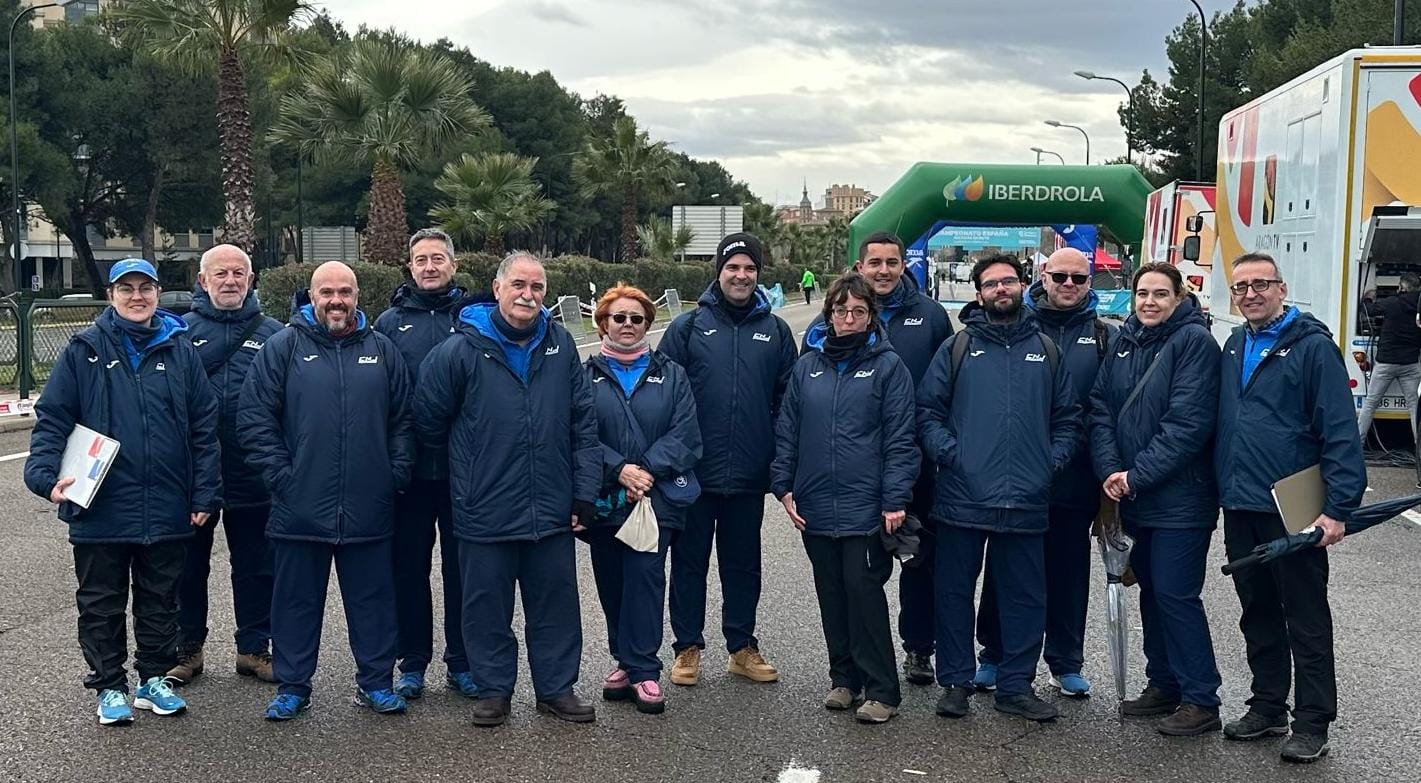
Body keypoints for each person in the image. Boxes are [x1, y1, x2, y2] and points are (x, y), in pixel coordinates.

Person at [24, 257, 221, 725]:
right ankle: (109, 684)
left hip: (167, 502)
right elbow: (54, 418)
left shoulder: (180, 351)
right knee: (101, 602)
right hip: (101, 505)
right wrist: (46, 476)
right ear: (111, 296)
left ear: (157, 293)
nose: (137, 297)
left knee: (160, 598)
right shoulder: (83, 349)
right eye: (126, 289)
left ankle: (153, 679)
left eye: (145, 288)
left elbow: (203, 428)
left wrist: (203, 494)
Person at [416, 251, 601, 727]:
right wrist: (470, 471)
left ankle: (556, 689)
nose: (528, 295)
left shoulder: (560, 345)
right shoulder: (459, 351)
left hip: (552, 507)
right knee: (485, 607)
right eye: (519, 285)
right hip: (484, 509)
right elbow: (428, 422)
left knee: (555, 605)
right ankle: (494, 689)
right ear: (497, 289)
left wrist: (584, 492)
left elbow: (583, 425)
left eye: (537, 287)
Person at [238, 261, 415, 721]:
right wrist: (283, 478)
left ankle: (376, 682)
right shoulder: (283, 348)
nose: (336, 301)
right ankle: (294, 685)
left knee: (374, 602)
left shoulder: (382, 350)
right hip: (299, 508)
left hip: (368, 505)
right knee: (295, 603)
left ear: (357, 296)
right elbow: (255, 420)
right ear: (311, 296)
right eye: (327, 292)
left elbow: (403, 421)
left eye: (345, 292)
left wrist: (393, 473)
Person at [916, 253, 1081, 723]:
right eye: (991, 284)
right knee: (953, 593)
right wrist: (952, 454)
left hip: (1027, 497)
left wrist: (1049, 462)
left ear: (1024, 284)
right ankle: (955, 682)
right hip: (962, 496)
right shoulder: (959, 347)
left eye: (1008, 281)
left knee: (1026, 597)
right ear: (979, 294)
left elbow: (1069, 418)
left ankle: (1015, 685)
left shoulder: (1047, 349)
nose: (1001, 289)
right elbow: (927, 412)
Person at [1215, 251, 1366, 763]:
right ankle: (1268, 706)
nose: (1251, 294)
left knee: (1304, 616)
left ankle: (1313, 721)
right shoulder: (1234, 344)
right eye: (1241, 287)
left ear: (1282, 289)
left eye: (1261, 284)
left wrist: (1338, 508)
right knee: (1256, 611)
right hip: (1240, 501)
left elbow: (1340, 432)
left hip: (1292, 507)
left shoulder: (1313, 348)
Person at [801, 231, 953, 686]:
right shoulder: (821, 329)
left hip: (913, 462)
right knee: (855, 578)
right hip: (846, 478)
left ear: (904, 265)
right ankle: (848, 673)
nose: (884, 270)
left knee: (918, 561)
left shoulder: (930, 316)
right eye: (875, 263)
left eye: (892, 262)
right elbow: (800, 400)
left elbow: (947, 385)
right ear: (859, 267)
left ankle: (918, 648)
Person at [773, 272, 918, 724]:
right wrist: (783, 487)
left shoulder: (889, 367)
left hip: (867, 505)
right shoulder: (807, 367)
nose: (849, 318)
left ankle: (882, 690)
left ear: (871, 315)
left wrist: (895, 498)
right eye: (841, 310)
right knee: (830, 593)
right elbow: (788, 432)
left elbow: (900, 438)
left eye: (859, 311)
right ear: (829, 314)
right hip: (816, 503)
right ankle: (844, 679)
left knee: (864, 593)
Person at [1089, 262, 1223, 736]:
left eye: (1160, 294)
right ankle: (1163, 682)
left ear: (1179, 297)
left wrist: (1134, 475)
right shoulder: (1126, 340)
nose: (1149, 302)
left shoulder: (1194, 344)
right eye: (1142, 293)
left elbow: (1187, 425)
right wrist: (1110, 470)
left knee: (1174, 593)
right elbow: (1101, 407)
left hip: (1181, 499)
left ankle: (1202, 698)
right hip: (1134, 494)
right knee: (1149, 591)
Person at [660, 232, 797, 687]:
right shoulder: (687, 327)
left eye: (749, 268)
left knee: (742, 564)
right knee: (688, 562)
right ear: (718, 272)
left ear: (759, 275)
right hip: (693, 475)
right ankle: (686, 647)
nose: (741, 276)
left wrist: (779, 462)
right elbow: (664, 397)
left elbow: (787, 401)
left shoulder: (775, 331)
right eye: (733, 267)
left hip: (748, 474)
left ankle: (741, 646)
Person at [975, 247, 1111, 697]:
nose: (1068, 285)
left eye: (1078, 278)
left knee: (1068, 572)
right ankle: (993, 654)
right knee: (1005, 569)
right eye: (1060, 277)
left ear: (1090, 282)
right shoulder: (1018, 325)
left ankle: (1065, 660)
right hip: (1016, 479)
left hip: (1075, 477)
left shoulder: (1105, 335)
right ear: (1043, 277)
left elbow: (1109, 408)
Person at [582, 285, 702, 715]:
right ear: (603, 323)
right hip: (604, 500)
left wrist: (646, 469)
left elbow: (686, 434)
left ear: (649, 324)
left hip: (656, 497)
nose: (628, 325)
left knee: (645, 579)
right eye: (619, 318)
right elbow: (577, 434)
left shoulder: (672, 374)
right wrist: (618, 469)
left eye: (637, 318)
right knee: (611, 582)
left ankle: (645, 668)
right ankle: (624, 658)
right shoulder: (584, 375)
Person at [168, 245, 283, 687]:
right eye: (221, 274)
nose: (230, 281)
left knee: (257, 564)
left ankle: (254, 648)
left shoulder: (276, 335)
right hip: (193, 474)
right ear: (203, 281)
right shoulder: (178, 335)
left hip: (254, 472)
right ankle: (187, 648)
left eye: (239, 273)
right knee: (187, 566)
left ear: (251, 280)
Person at [372, 228, 475, 700]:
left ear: (453, 264)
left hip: (465, 471)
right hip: (409, 472)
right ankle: (412, 660)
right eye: (420, 260)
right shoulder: (390, 324)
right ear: (409, 267)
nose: (429, 267)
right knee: (408, 570)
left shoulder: (476, 319)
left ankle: (463, 660)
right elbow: (382, 397)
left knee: (465, 570)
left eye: (438, 258)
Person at [1357, 272, 1421, 439]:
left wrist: (1368, 298)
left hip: (1386, 362)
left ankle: (1358, 444)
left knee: (1370, 403)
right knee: (1414, 406)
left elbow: (1368, 310)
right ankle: (1419, 447)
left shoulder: (1393, 302)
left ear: (1401, 288)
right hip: (1411, 364)